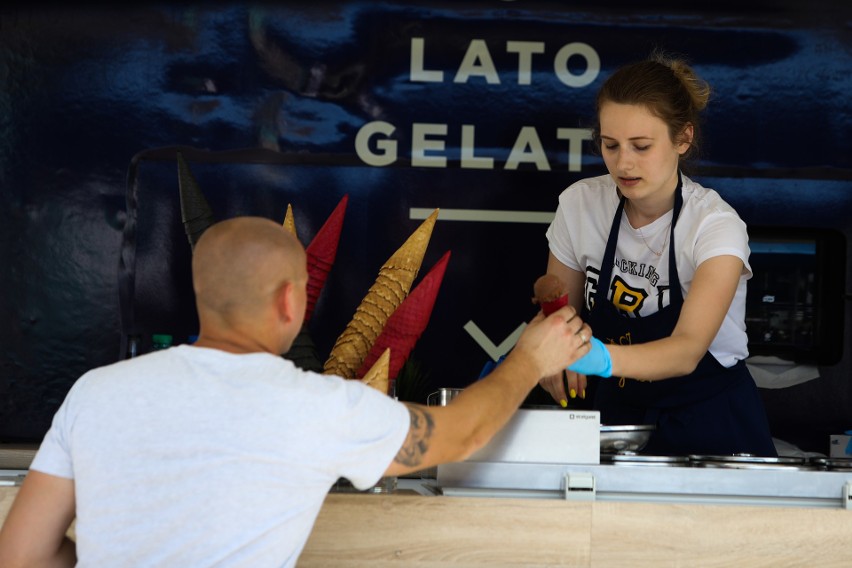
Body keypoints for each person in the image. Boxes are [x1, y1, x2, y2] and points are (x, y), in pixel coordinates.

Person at [0, 216, 592, 568]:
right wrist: (531, 357)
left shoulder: (96, 394)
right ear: (291, 301)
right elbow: (463, 433)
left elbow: (21, 557)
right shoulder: (315, 407)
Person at [537, 51, 777, 457]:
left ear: (683, 138)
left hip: (713, 426)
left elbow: (685, 351)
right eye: (610, 145)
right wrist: (550, 348)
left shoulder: (715, 226)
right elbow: (561, 311)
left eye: (641, 146)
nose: (623, 162)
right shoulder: (580, 205)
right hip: (618, 420)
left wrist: (591, 357)